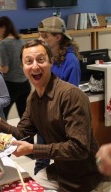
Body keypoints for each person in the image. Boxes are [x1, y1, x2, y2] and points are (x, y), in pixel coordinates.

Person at [0, 40, 111, 192]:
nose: (34, 66)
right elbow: (22, 133)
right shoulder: (33, 99)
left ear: (51, 62)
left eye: (40, 60)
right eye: (28, 61)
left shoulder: (71, 95)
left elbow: (79, 149)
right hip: (59, 174)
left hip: (88, 182)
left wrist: (33, 149)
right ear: (22, 68)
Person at [35, 16, 82, 174]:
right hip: (43, 116)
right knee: (41, 160)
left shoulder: (71, 61)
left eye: (44, 36)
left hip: (58, 121)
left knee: (63, 163)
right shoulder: (47, 56)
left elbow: (72, 97)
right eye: (39, 34)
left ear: (58, 37)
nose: (39, 39)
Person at [0, 16, 31, 120]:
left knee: (1, 116)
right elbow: (16, 61)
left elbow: (5, 69)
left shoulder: (3, 43)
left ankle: (2, 136)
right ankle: (27, 137)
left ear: (4, 28)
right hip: (25, 84)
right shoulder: (21, 41)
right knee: (25, 118)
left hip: (11, 85)